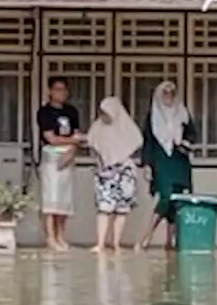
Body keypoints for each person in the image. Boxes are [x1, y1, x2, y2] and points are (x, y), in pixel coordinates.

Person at [137, 80, 197, 251]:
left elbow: (193, 134)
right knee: (166, 196)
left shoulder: (182, 113)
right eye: (165, 93)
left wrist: (185, 142)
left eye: (171, 93)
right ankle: (147, 235)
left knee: (177, 199)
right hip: (161, 160)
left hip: (180, 160)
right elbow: (148, 141)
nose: (169, 97)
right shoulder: (153, 116)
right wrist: (147, 165)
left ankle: (169, 241)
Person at [87, 97, 143, 252]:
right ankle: (101, 243)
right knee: (104, 208)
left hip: (125, 172)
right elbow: (92, 146)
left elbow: (136, 142)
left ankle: (116, 243)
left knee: (122, 210)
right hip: (105, 172)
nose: (105, 115)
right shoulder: (97, 127)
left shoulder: (127, 127)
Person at [36, 76, 84, 251]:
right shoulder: (45, 112)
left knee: (64, 200)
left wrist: (72, 151)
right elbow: (50, 138)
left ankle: (61, 235)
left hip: (68, 156)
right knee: (51, 199)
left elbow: (78, 136)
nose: (61, 93)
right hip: (51, 156)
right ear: (50, 91)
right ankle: (50, 236)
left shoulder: (72, 111)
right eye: (57, 89)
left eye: (63, 90)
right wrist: (71, 140)